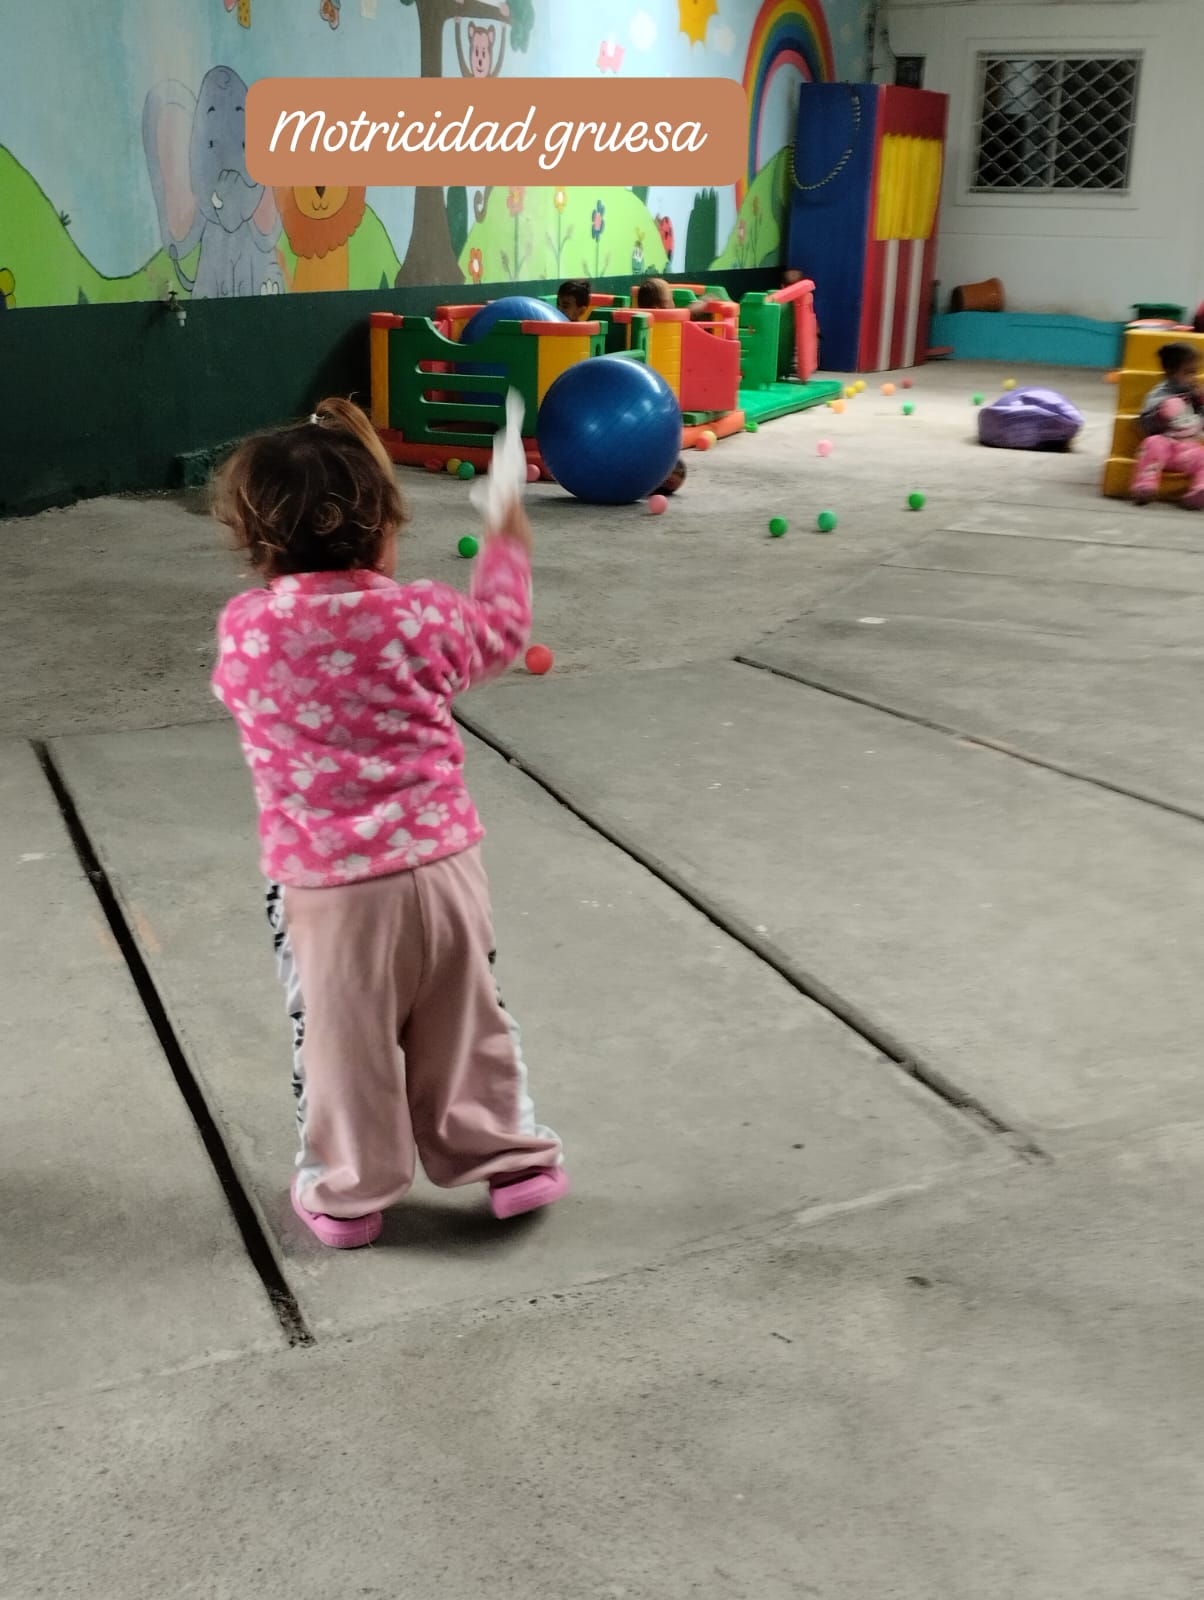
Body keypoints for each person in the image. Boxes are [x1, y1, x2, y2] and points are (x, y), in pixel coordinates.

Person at [210, 397, 568, 1249]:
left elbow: (240, 695)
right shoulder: (425, 614)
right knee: (465, 1020)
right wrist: (507, 532)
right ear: (384, 532)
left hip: (329, 891)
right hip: (444, 871)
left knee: (344, 1043)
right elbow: (502, 631)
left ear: (259, 545)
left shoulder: (248, 631)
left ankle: (350, 1193)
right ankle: (512, 1161)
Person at [1131, 341, 1204, 508]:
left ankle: (1199, 490)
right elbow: (1144, 425)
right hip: (1165, 445)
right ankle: (1146, 486)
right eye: (1188, 373)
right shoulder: (1158, 394)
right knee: (1152, 443)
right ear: (1170, 372)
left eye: (1195, 372)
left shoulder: (1194, 394)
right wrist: (1160, 414)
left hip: (1187, 449)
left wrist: (1201, 403)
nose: (1193, 378)